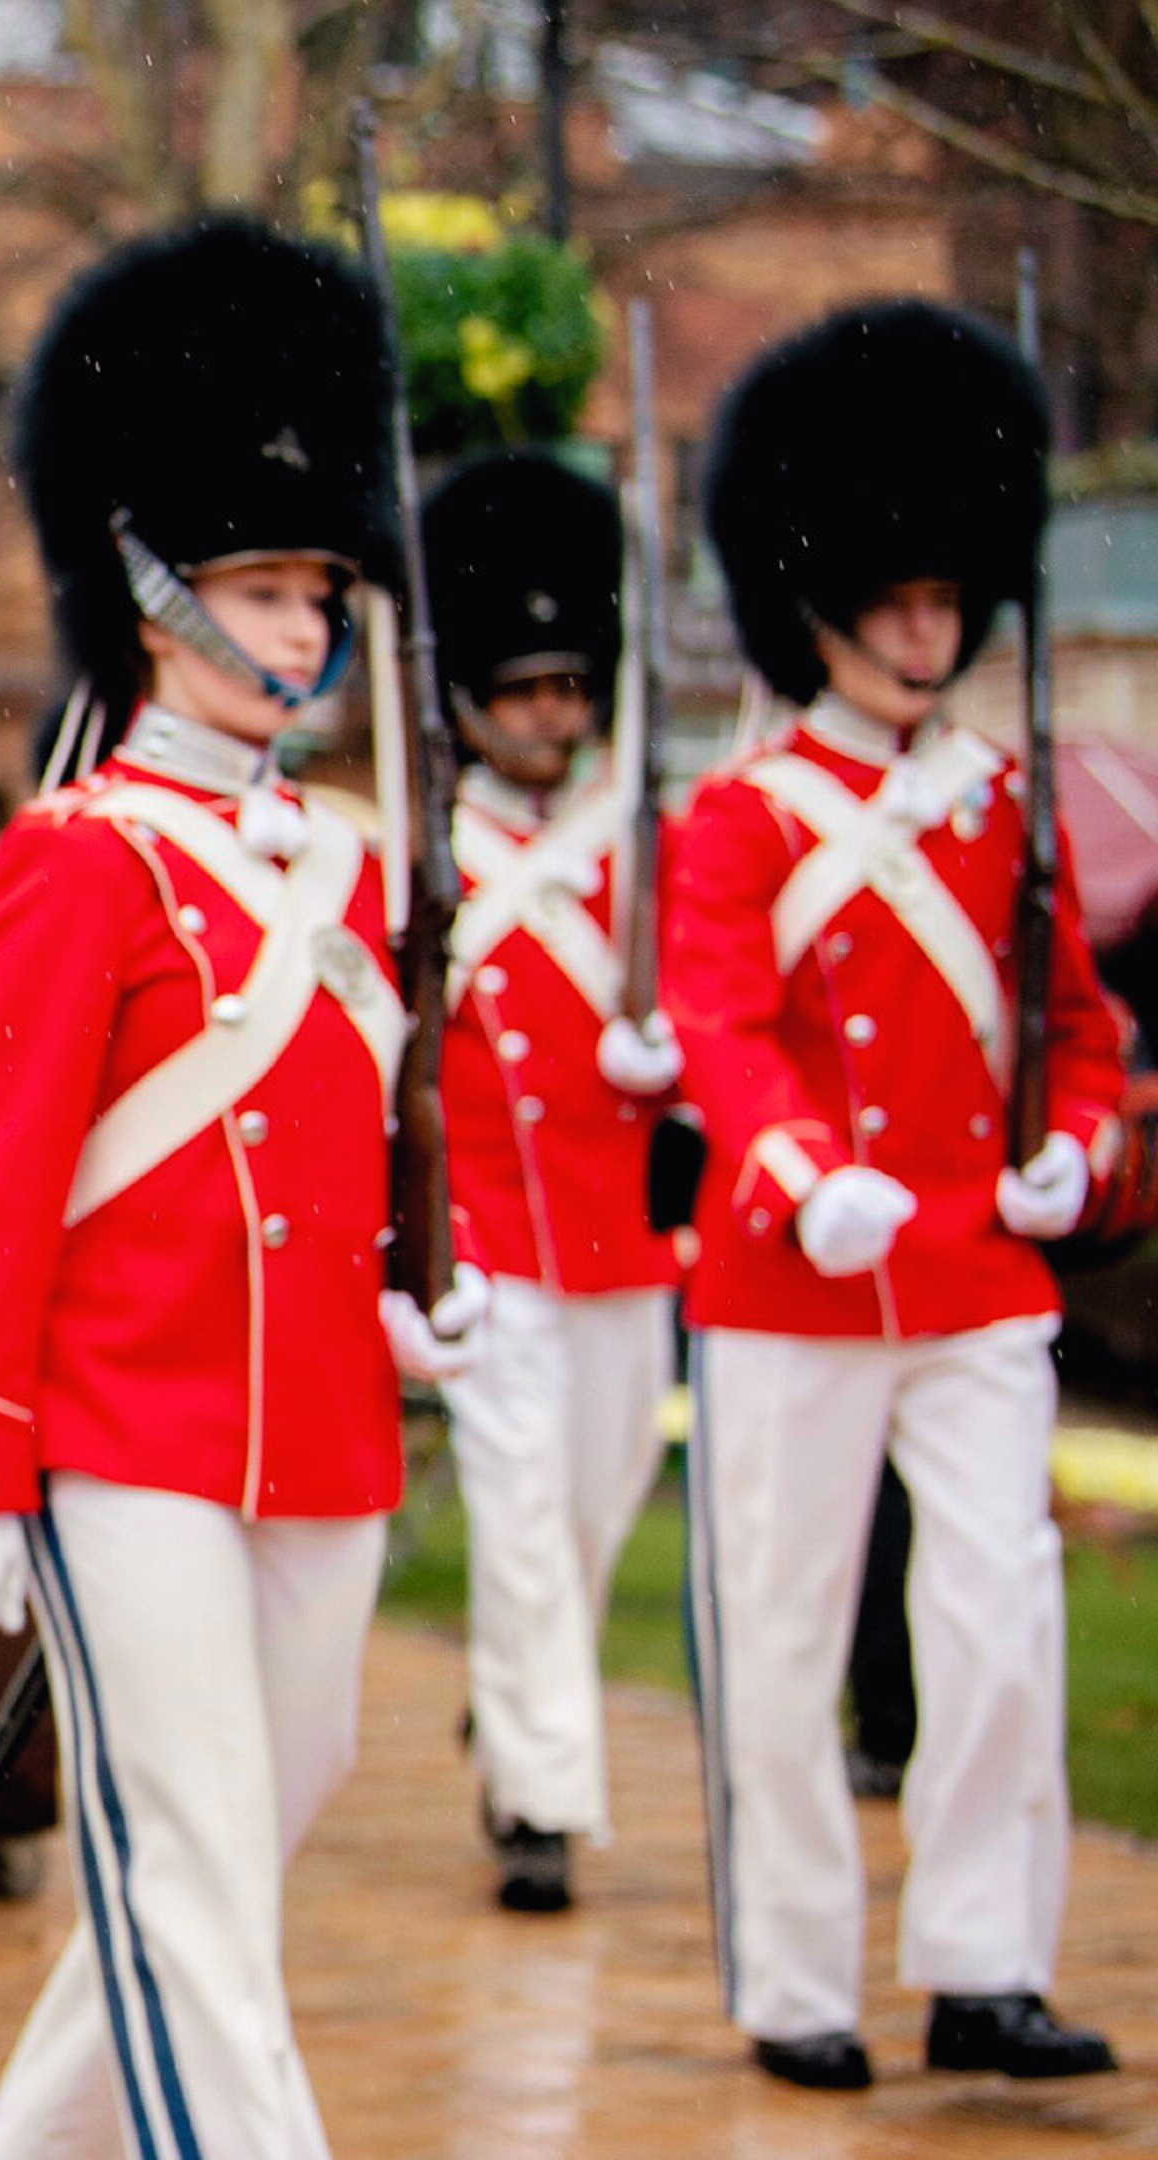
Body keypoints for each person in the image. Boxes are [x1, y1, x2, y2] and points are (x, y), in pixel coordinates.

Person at [0, 217, 488, 2160]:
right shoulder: (76, 856)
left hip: (313, 1422)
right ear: (151, 597)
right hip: (120, 1427)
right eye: (259, 587)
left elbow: (367, 1122)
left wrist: (417, 1282)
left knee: (229, 1834)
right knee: (201, 1880)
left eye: (319, 589)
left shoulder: (340, 852)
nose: (304, 629)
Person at [668, 297, 1125, 2092]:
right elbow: (719, 1020)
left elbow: (1076, 1032)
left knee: (999, 1623)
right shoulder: (746, 818)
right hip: (797, 1278)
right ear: (828, 606)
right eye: (901, 602)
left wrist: (1076, 1148)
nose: (929, 631)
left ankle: (986, 1964)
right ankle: (795, 1980)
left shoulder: (1006, 808)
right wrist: (794, 1174)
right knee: (781, 1642)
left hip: (977, 1276)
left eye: (948, 603)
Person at [415, 451, 685, 1914]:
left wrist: (674, 1047)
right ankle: (536, 1801)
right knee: (520, 1513)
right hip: (494, 1238)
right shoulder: (426, 853)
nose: (549, 716)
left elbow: (710, 1000)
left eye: (568, 688)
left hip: (622, 1235)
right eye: (520, 689)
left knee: (589, 1513)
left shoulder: (637, 855)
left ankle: (522, 1701)